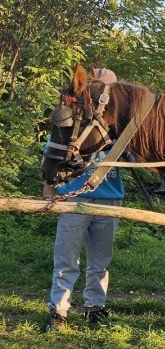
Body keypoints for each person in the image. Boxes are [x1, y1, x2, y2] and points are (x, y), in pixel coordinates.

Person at [43, 68, 125, 332]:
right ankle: (59, 310)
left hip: (109, 200)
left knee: (100, 261)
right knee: (66, 260)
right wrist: (49, 191)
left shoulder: (119, 131)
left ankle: (95, 307)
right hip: (73, 199)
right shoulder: (73, 126)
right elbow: (52, 157)